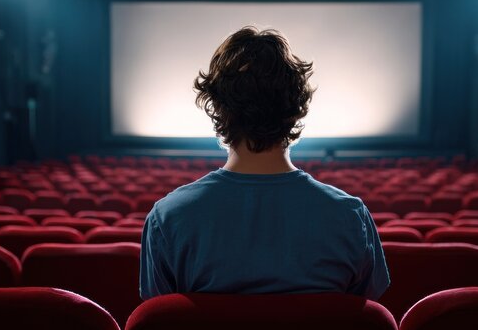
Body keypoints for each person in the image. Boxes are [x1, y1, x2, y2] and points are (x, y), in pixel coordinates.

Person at [139, 26, 390, 301]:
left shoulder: (168, 218)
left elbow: (161, 322)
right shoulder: (349, 216)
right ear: (295, 108)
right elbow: (363, 320)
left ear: (218, 108)